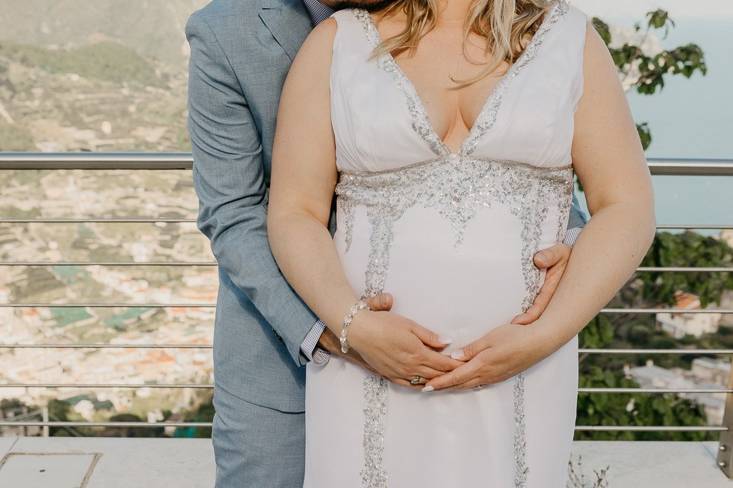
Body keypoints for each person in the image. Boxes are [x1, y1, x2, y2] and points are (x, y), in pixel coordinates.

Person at [187, 0, 588, 486]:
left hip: (486, 371)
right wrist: (340, 329)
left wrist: (574, 243)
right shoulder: (225, 31)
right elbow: (233, 212)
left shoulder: (495, 21)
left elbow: (525, 162)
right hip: (284, 349)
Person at [267, 0, 655, 486]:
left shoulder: (569, 38)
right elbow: (294, 211)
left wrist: (543, 335)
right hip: (368, 372)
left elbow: (627, 207)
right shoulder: (334, 43)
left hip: (525, 371)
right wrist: (355, 326)